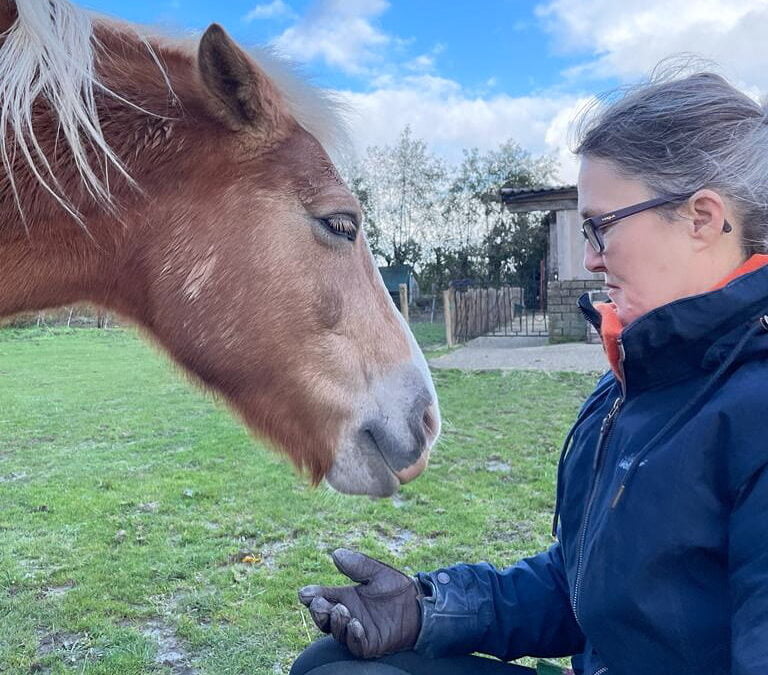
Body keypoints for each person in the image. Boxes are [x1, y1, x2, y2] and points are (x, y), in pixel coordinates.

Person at [290, 64, 768, 675]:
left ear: (701, 218)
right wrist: (425, 609)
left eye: (600, 227)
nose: (590, 258)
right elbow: (583, 588)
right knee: (331, 665)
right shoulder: (637, 379)